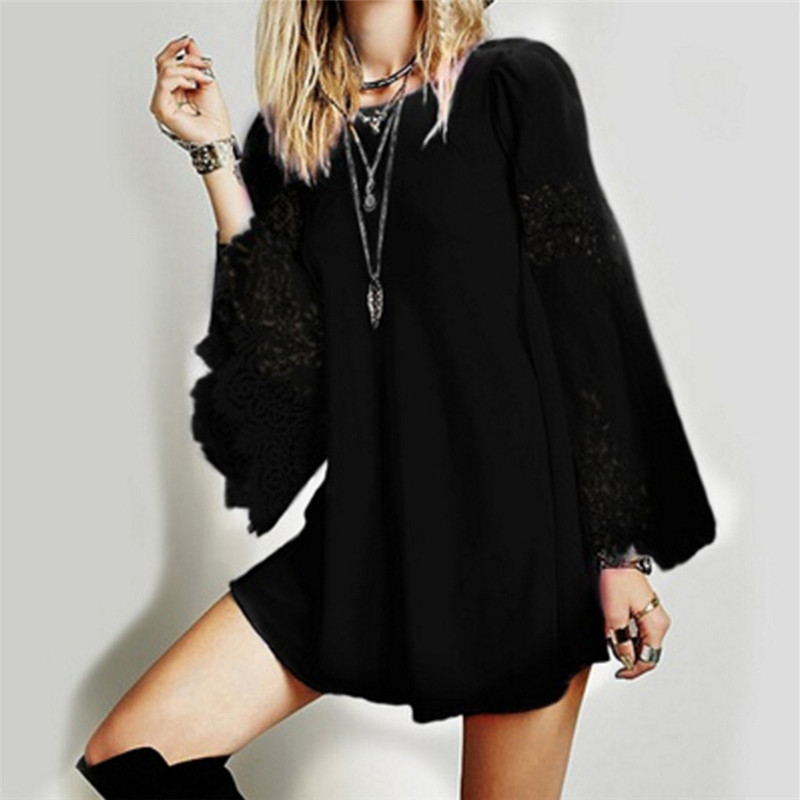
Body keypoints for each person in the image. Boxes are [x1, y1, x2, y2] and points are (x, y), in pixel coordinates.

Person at [75, 1, 716, 797]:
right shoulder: (292, 137)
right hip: (368, 534)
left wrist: (619, 556)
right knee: (133, 753)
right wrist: (214, 157)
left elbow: (590, 316)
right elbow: (276, 378)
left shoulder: (513, 85)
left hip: (520, 540)